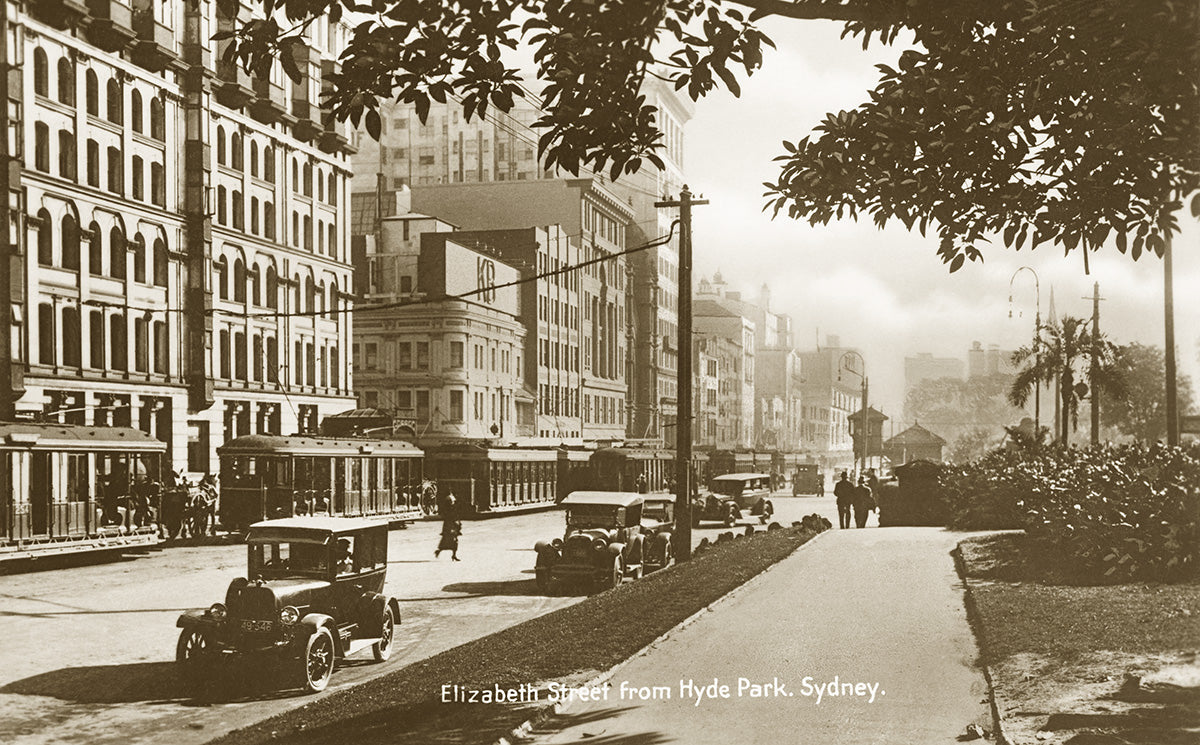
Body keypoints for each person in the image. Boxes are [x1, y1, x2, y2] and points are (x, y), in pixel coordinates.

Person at [435, 493, 462, 560]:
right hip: (450, 527)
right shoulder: (449, 509)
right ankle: (440, 551)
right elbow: (450, 518)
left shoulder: (452, 508)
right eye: (452, 501)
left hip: (453, 526)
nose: (453, 502)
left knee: (452, 541)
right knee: (451, 540)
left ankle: (453, 555)